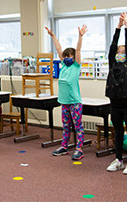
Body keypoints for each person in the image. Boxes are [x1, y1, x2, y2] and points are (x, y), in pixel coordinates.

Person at [45, 24, 88, 160]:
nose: (68, 58)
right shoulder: (63, 65)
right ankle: (64, 146)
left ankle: (79, 149)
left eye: (71, 56)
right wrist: (53, 36)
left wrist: (80, 37)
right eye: (66, 56)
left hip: (75, 102)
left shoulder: (76, 66)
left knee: (78, 126)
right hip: (64, 102)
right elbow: (58, 48)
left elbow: (79, 49)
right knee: (66, 126)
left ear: (74, 57)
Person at [105, 12, 127, 175]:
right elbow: (113, 45)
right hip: (115, 104)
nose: (121, 53)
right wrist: (117, 27)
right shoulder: (112, 65)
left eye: (123, 51)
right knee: (118, 133)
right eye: (119, 51)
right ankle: (118, 160)